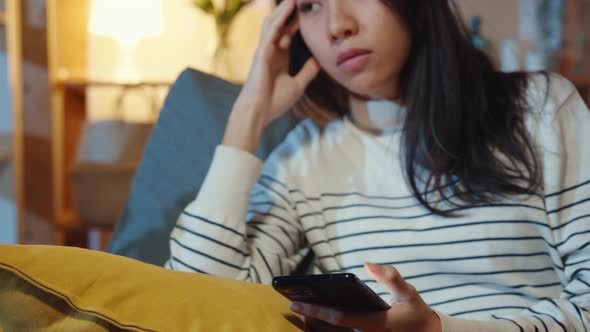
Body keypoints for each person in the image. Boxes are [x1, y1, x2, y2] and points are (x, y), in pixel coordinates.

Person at [165, 0, 590, 330]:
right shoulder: (302, 159)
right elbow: (192, 297)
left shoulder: (541, 109)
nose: (337, 26)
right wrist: (250, 112)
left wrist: (445, 330)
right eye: (310, 5)